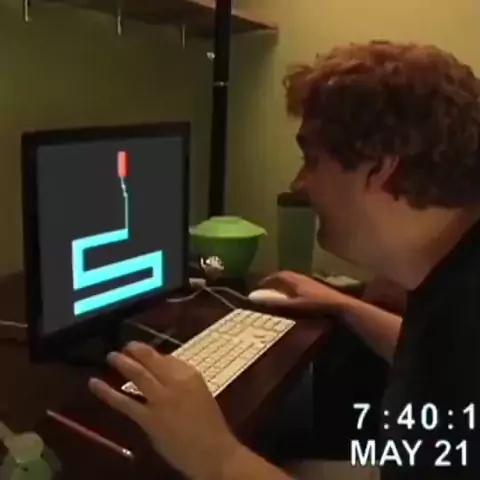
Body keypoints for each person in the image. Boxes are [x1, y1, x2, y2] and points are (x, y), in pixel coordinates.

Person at [88, 41, 480, 479]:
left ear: (381, 168)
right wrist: (342, 305)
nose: (299, 183)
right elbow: (432, 354)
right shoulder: (452, 275)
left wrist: (217, 456)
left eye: (311, 159)